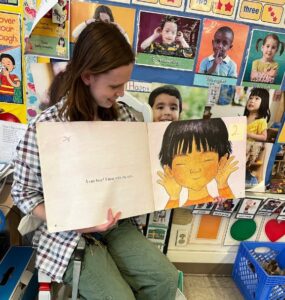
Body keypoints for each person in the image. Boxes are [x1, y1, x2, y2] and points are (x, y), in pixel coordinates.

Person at [11, 22, 178, 300]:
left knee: (165, 279)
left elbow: (138, 176)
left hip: (117, 223)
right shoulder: (47, 127)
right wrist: (75, 221)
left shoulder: (125, 118)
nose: (121, 92)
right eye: (114, 85)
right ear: (88, 76)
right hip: (68, 233)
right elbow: (23, 193)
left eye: (124, 84)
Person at [158, 118, 238, 209]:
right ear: (169, 169)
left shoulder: (219, 198)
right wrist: (173, 197)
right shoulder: (176, 204)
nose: (195, 169)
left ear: (221, 162)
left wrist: (223, 185)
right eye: (182, 162)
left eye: (206, 159)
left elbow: (229, 208)